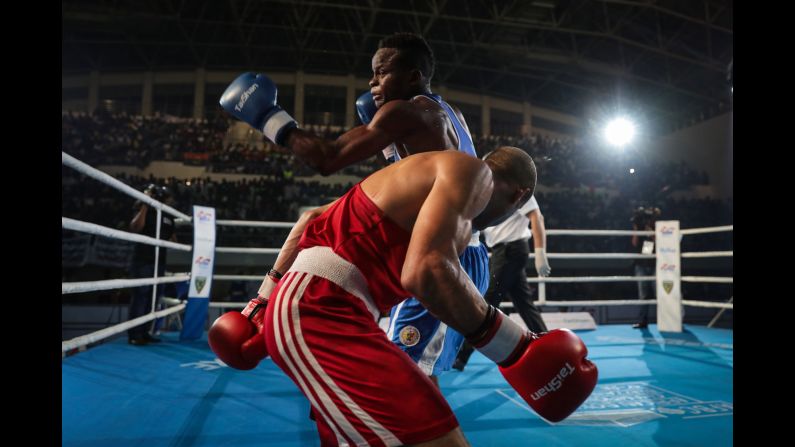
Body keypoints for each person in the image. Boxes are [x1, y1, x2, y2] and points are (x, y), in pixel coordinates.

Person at [208, 148, 597, 446]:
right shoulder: (469, 175)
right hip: (319, 309)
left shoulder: (418, 185)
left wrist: (261, 301)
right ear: (519, 196)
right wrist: (517, 349)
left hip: (327, 305)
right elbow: (423, 270)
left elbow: (311, 219)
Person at [220, 32, 488, 382]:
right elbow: (418, 178)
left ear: (413, 77)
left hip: (441, 254)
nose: (373, 82)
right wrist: (390, 147)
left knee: (408, 376)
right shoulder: (450, 115)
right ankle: (261, 309)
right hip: (455, 245)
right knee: (311, 220)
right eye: (372, 74)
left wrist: (270, 119)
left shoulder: (404, 111)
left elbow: (327, 159)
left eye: (382, 73)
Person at [453, 194, 550, 371]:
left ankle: (461, 356)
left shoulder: (520, 187)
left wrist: (540, 253)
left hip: (510, 250)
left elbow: (537, 217)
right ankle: (549, 347)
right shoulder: (489, 190)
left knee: (486, 302)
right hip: (504, 251)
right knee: (524, 304)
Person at [127, 184, 176, 345]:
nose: (168, 200)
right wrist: (145, 203)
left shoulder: (168, 216)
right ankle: (135, 334)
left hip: (159, 261)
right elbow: (135, 227)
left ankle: (145, 331)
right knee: (141, 296)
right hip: (143, 260)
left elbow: (173, 239)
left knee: (153, 298)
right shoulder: (145, 209)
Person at [631, 206, 660, 329]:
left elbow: (665, 242)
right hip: (641, 263)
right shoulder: (639, 226)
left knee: (659, 293)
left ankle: (666, 321)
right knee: (643, 295)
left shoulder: (659, 226)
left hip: (655, 263)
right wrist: (637, 230)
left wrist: (651, 233)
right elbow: (634, 243)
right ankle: (642, 321)